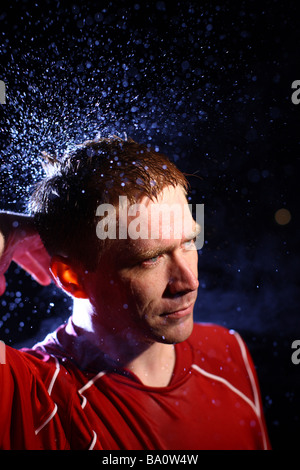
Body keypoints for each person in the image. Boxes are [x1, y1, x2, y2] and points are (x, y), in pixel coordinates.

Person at [0, 136, 271, 450]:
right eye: (150, 258)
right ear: (72, 278)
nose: (189, 282)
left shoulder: (226, 350)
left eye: (188, 242)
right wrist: (8, 229)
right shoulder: (34, 395)